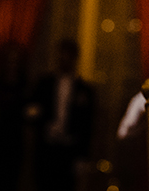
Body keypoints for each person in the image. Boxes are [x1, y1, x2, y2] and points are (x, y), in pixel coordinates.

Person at [26, 38, 96, 191]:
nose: (64, 58)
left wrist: (82, 158)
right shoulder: (44, 84)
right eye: (62, 54)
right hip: (46, 151)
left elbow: (87, 125)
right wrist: (46, 127)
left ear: (75, 58)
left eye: (68, 55)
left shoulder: (85, 90)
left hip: (70, 153)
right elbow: (33, 113)